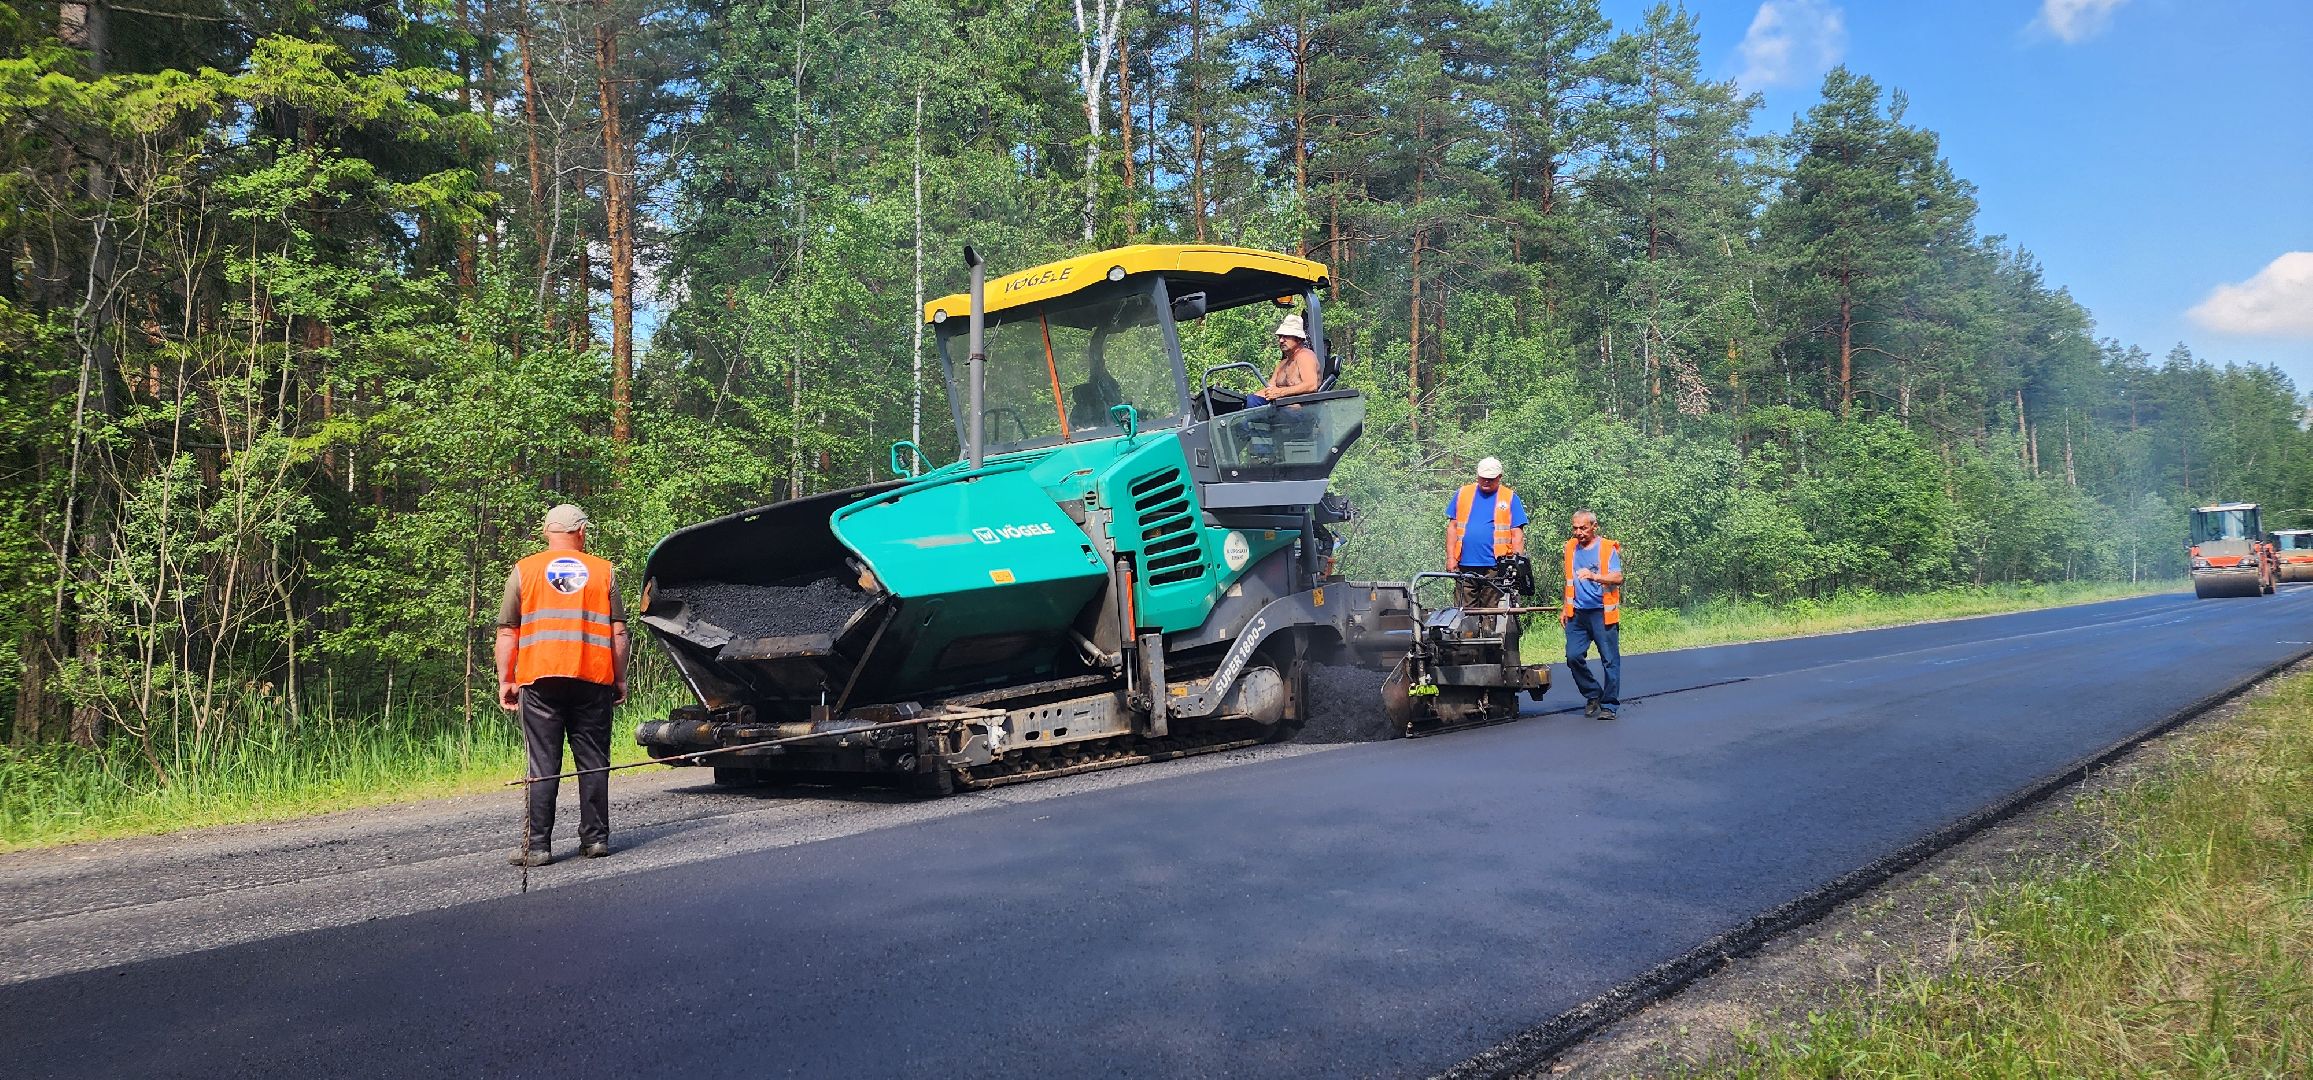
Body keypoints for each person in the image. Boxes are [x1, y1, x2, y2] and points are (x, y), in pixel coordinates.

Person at [497, 503, 630, 866]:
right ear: (581, 532)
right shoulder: (603, 571)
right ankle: (596, 841)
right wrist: (620, 678)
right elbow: (618, 631)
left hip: (540, 680)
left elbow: (508, 631)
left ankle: (537, 847)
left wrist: (506, 679)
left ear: (547, 533)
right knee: (592, 761)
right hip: (591, 679)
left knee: (542, 763)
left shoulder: (524, 571)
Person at [1561, 509, 1623, 721]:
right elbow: (1568, 580)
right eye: (1575, 528)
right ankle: (1593, 693)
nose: (1578, 532)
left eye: (1583, 528)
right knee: (1573, 656)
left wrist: (1594, 576)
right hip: (1577, 614)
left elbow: (1617, 577)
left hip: (1601, 613)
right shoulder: (1570, 548)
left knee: (1610, 660)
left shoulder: (1606, 548)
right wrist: (1564, 608)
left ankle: (1609, 705)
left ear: (1594, 527)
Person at [1444, 457, 1527, 609]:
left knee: (1491, 612)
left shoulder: (1509, 498)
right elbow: (1452, 527)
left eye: (1491, 479)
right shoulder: (1463, 494)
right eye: (1483, 478)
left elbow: (1517, 534)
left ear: (1499, 477)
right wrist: (1450, 558)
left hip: (1495, 567)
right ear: (1477, 475)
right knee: (1464, 613)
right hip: (1465, 565)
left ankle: (1489, 633)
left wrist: (1515, 565)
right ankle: (1468, 633)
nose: (1486, 482)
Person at [1246, 313, 1320, 408]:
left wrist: (1280, 392)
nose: (1281, 340)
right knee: (1246, 403)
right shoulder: (1282, 364)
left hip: (1301, 413)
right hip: (1278, 409)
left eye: (1286, 336)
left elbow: (1311, 385)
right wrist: (1247, 400)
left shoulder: (1305, 356)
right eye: (1280, 336)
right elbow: (1269, 389)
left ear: (1298, 339)